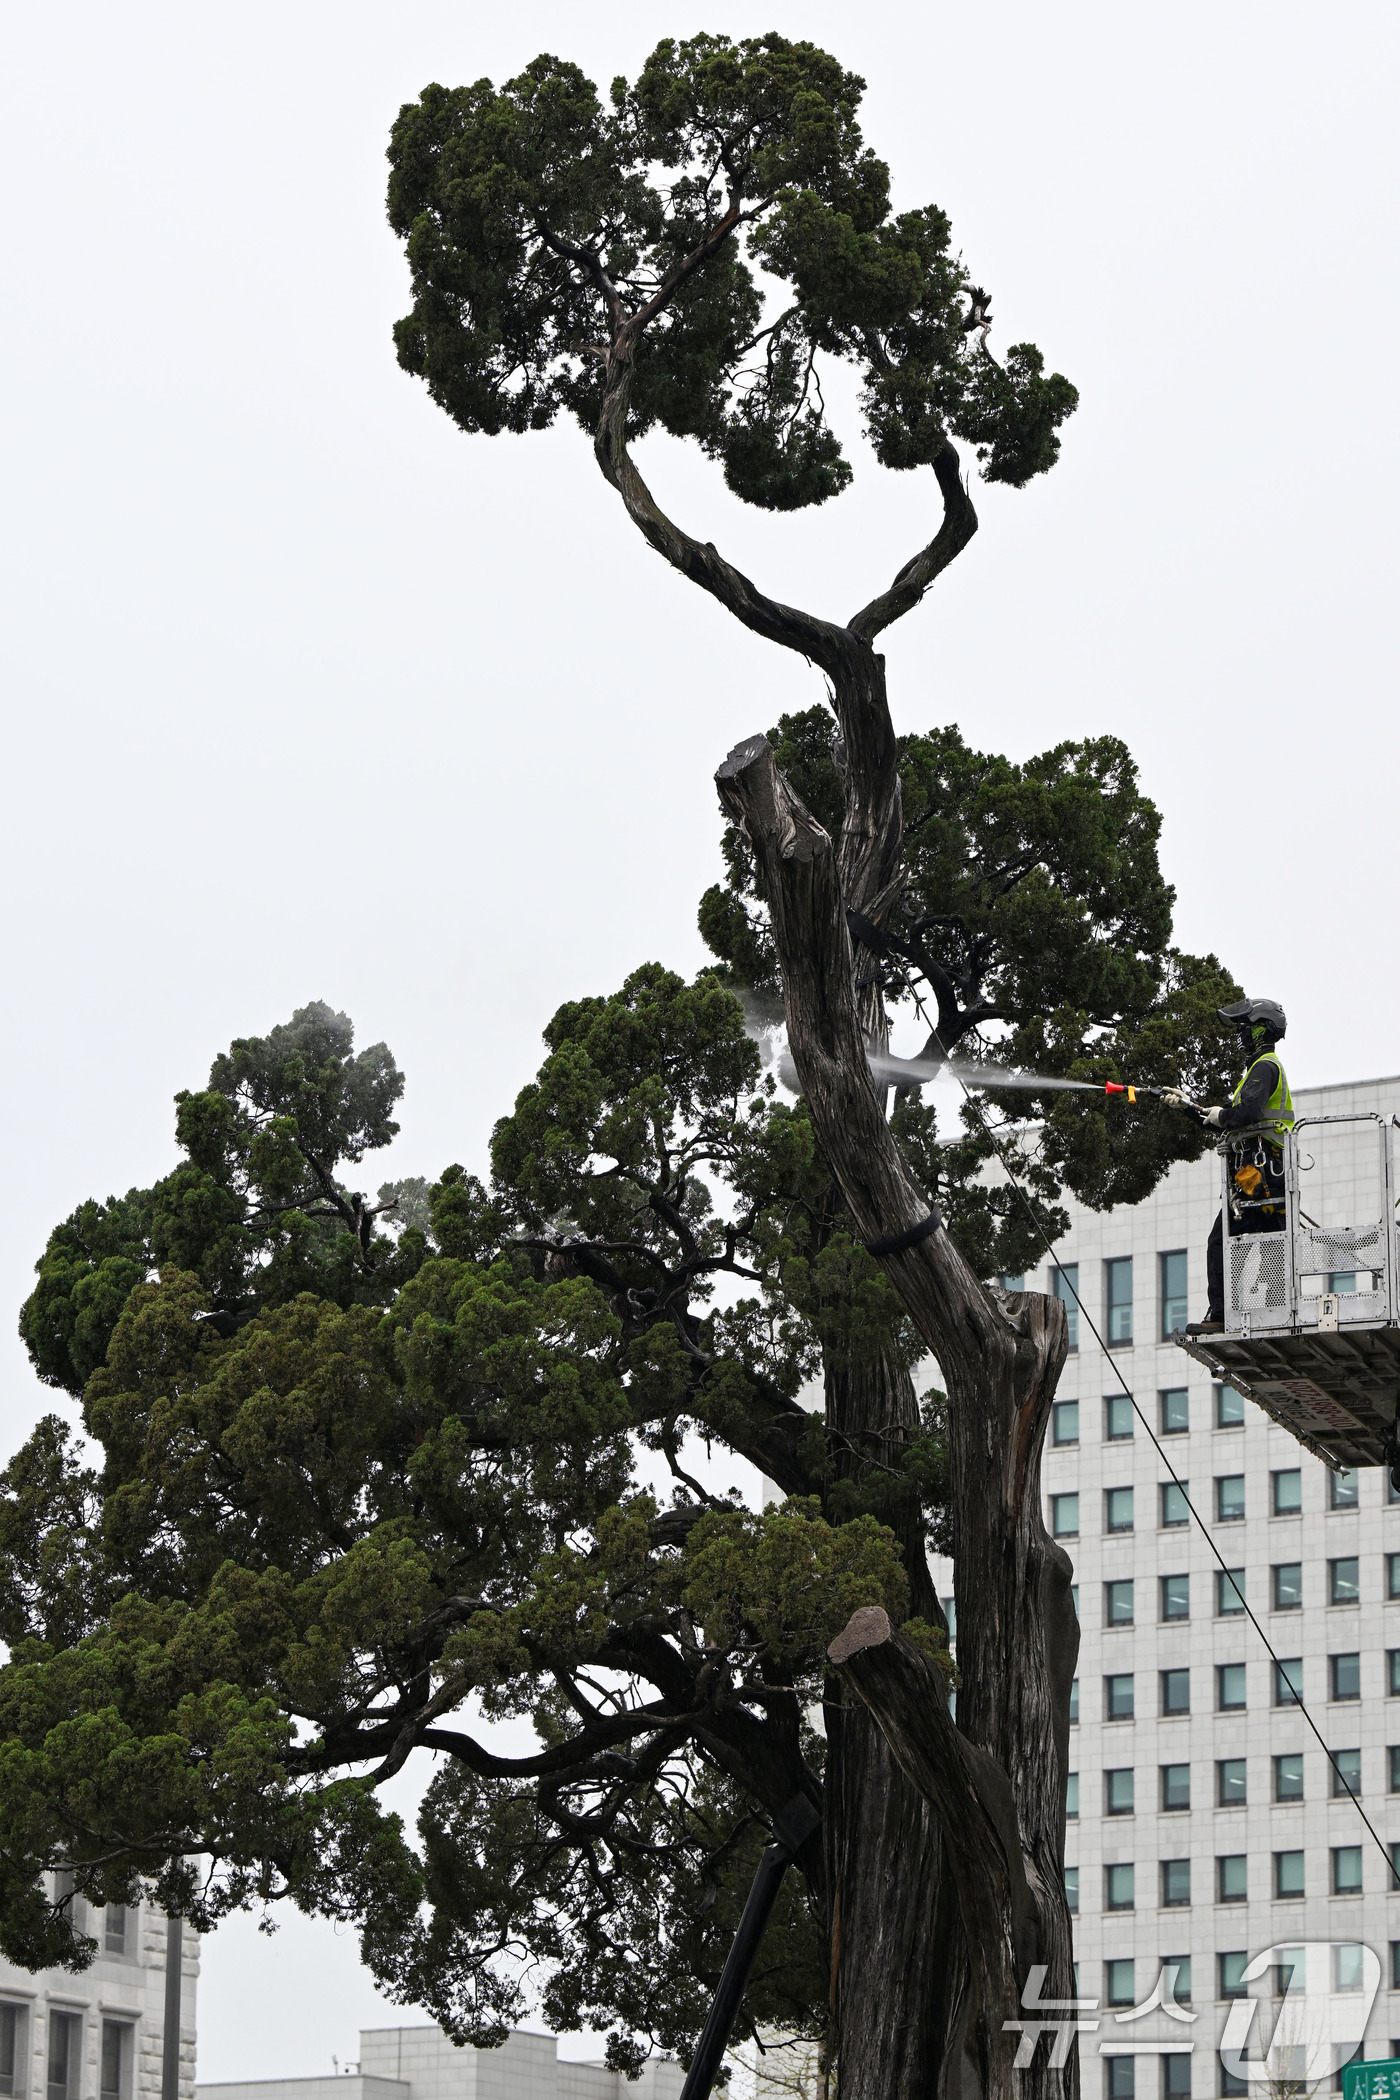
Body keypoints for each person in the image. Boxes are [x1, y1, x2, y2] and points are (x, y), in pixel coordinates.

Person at [1164, 997, 1293, 1335]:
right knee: (1267, 1243)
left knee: (1226, 1242)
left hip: (1266, 1175)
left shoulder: (1265, 1067)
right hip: (1258, 1176)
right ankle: (1270, 1314)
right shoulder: (1256, 1071)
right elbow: (1228, 1120)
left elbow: (1244, 1114)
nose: (1241, 1035)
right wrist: (1188, 1108)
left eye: (1245, 1028)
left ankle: (1225, 1315)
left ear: (1262, 1029)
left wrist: (1222, 1114)